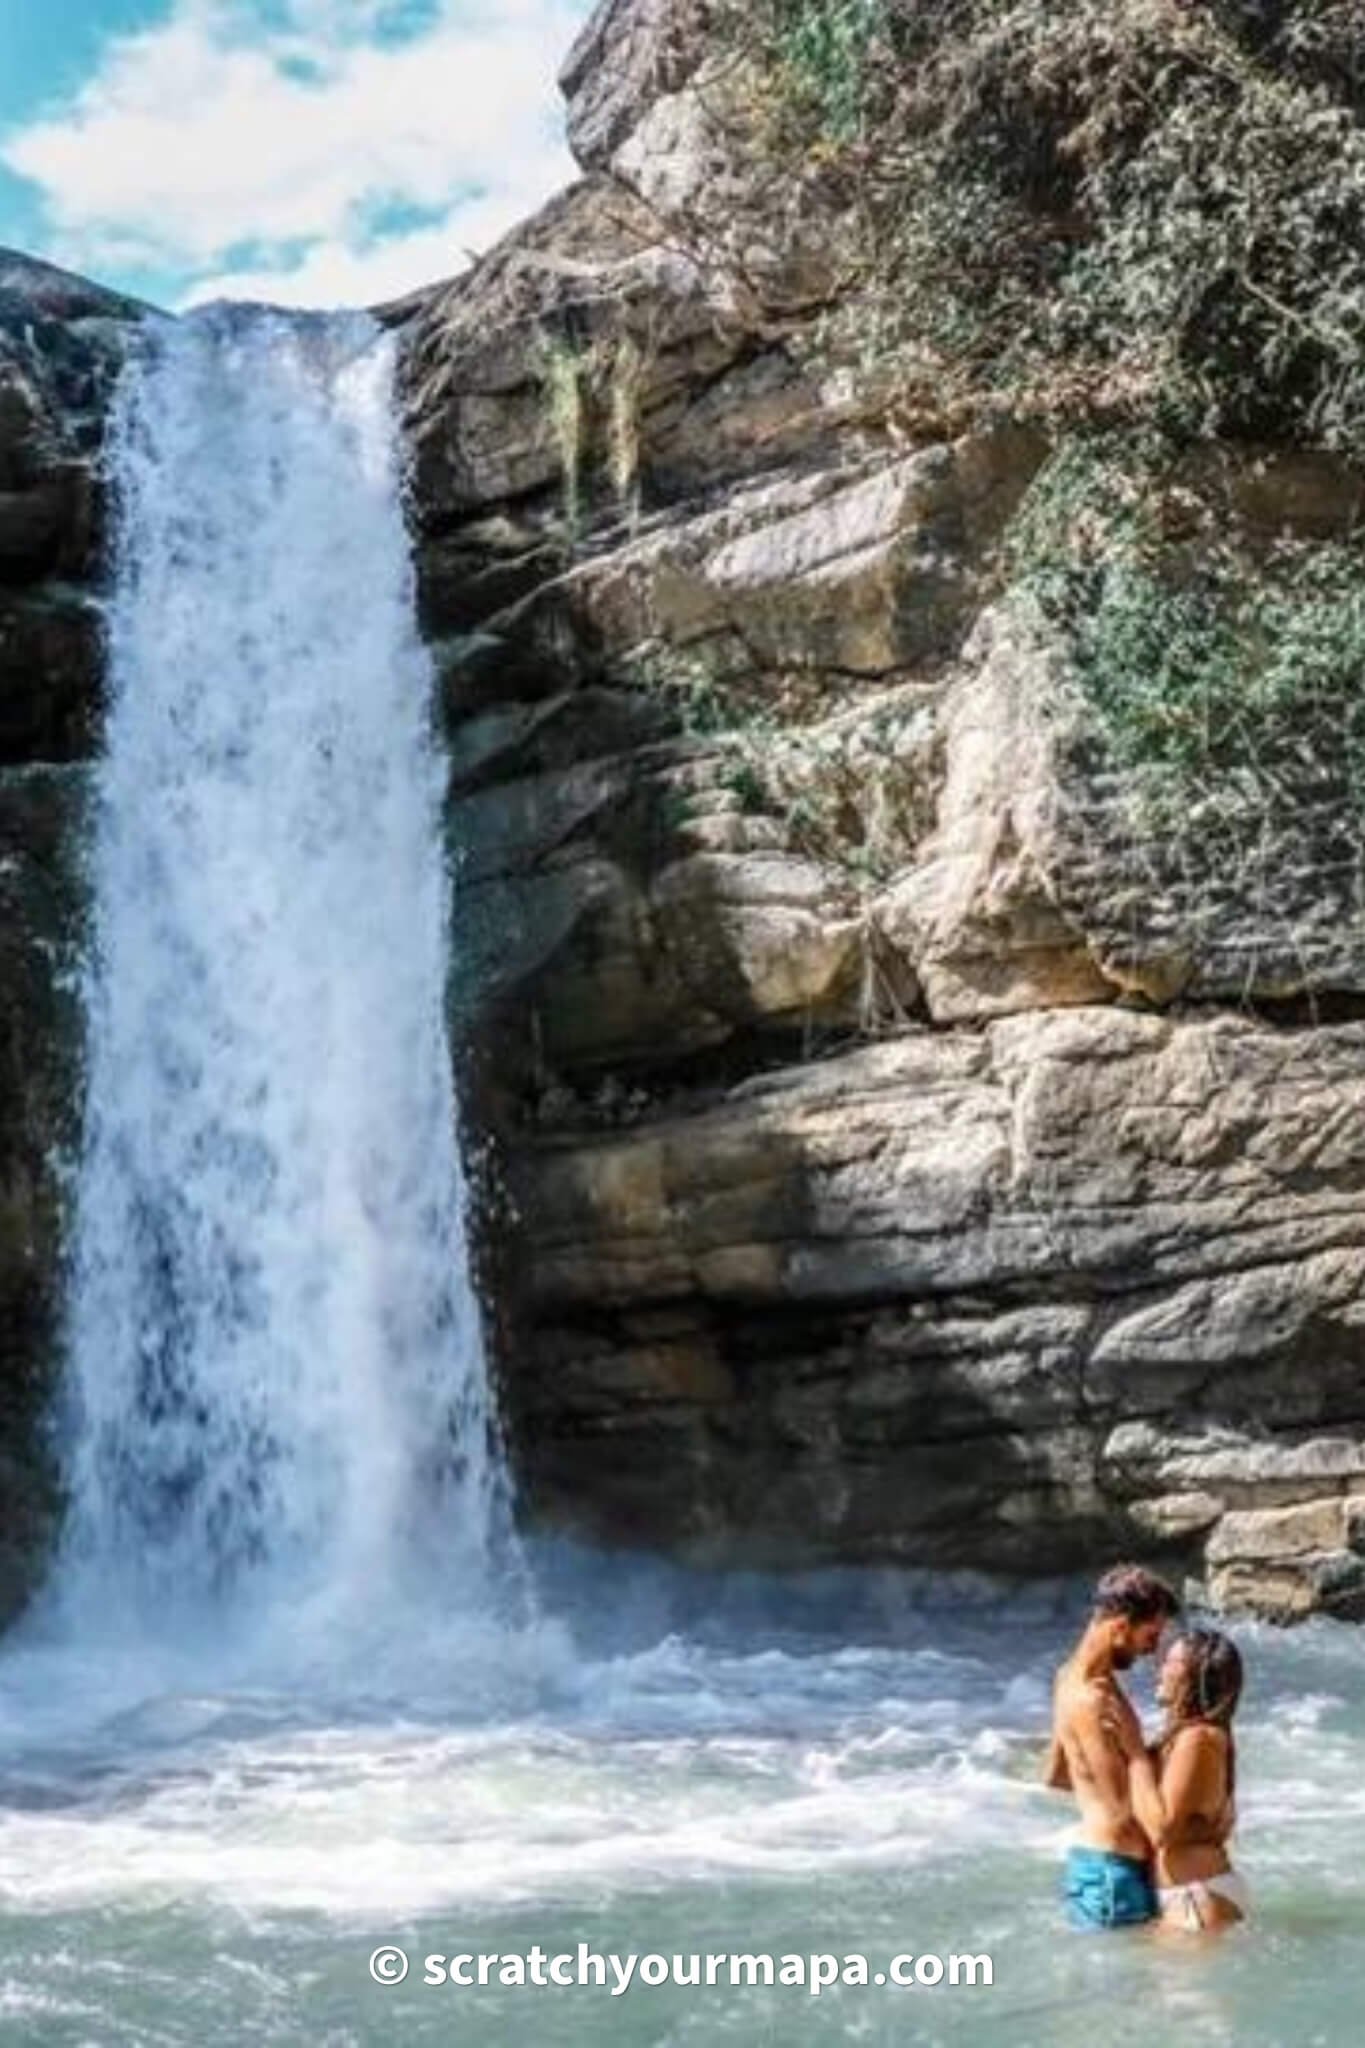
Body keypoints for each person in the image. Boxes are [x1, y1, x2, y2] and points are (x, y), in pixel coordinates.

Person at [1043, 1563, 1181, 1930]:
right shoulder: (1095, 1700)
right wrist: (1137, 1752)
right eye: (1150, 1637)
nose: (1151, 1651)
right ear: (1121, 1626)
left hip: (1102, 1869)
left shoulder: (1067, 1678)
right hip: (1113, 1878)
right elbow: (1122, 1807)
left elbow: (1055, 1775)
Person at [1114, 1627, 1247, 1933]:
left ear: (1195, 1677)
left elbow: (1163, 1830)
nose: (1159, 1670)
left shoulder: (1198, 1739)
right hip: (1191, 1894)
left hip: (1195, 1897)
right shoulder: (1188, 1738)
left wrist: (1134, 1754)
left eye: (1170, 1662)